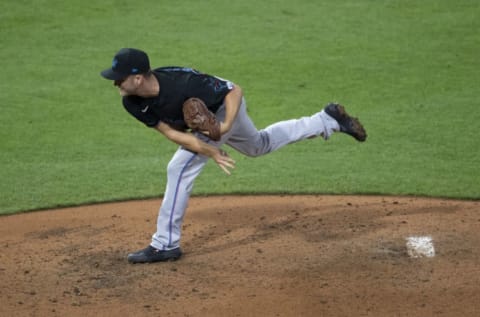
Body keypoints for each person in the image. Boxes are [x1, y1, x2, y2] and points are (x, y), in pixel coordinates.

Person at [100, 48, 367, 264]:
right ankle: (326, 120)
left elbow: (234, 90)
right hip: (208, 126)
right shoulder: (131, 101)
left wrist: (224, 128)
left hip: (226, 110)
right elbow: (170, 133)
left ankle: (164, 244)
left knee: (178, 167)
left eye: (119, 78)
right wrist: (208, 148)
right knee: (258, 145)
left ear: (138, 78)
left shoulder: (183, 84)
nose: (115, 83)